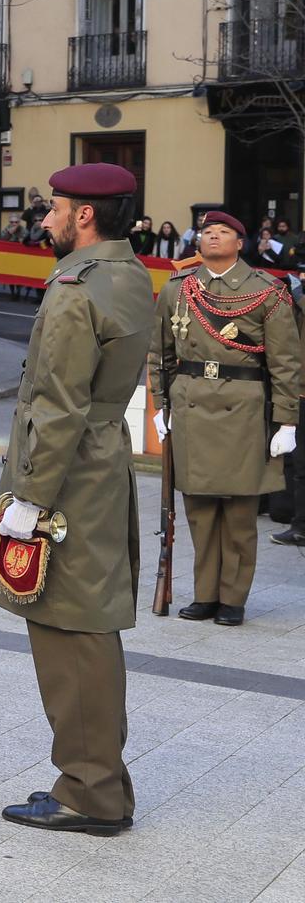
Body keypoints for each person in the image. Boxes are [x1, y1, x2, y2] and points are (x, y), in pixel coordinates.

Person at [0, 163, 152, 835]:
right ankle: (99, 773)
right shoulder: (131, 275)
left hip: (69, 475)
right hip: (103, 459)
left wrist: (28, 499)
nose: (45, 218)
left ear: (84, 216)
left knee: (69, 629)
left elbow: (56, 405)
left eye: (54, 208)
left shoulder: (75, 288)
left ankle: (90, 790)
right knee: (92, 623)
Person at [152, 212, 303, 621]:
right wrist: (160, 405)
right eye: (207, 232)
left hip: (244, 407)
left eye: (223, 232)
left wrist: (287, 420)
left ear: (241, 243)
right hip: (190, 405)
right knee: (198, 509)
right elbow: (160, 355)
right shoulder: (178, 288)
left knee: (238, 512)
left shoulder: (267, 291)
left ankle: (232, 599)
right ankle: (205, 594)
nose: (212, 236)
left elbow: (286, 363)